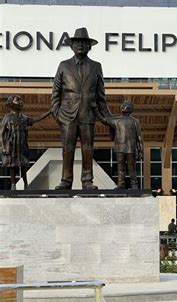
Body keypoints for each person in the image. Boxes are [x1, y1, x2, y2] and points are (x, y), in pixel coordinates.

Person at [51, 27, 111, 190]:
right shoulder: (63, 65)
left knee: (87, 149)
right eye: (77, 43)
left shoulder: (96, 66)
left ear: (89, 46)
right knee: (67, 148)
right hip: (67, 114)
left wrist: (108, 118)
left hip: (88, 114)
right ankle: (66, 180)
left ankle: (87, 180)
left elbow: (101, 96)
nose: (80, 46)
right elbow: (56, 91)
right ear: (71, 45)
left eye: (84, 43)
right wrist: (57, 113)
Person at [1, 95, 50, 190]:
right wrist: (3, 147)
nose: (20, 102)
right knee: (12, 165)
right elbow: (2, 133)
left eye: (21, 100)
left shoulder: (24, 118)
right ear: (11, 103)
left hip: (22, 145)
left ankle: (26, 184)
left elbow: (36, 119)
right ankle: (13, 184)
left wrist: (49, 112)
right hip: (12, 145)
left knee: (23, 164)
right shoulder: (8, 117)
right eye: (17, 100)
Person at [98, 100, 143, 189]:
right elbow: (139, 137)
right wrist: (141, 148)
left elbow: (104, 120)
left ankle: (123, 184)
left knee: (122, 168)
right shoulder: (133, 121)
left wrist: (96, 111)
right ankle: (131, 185)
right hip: (129, 148)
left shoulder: (117, 120)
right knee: (130, 168)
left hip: (123, 148)